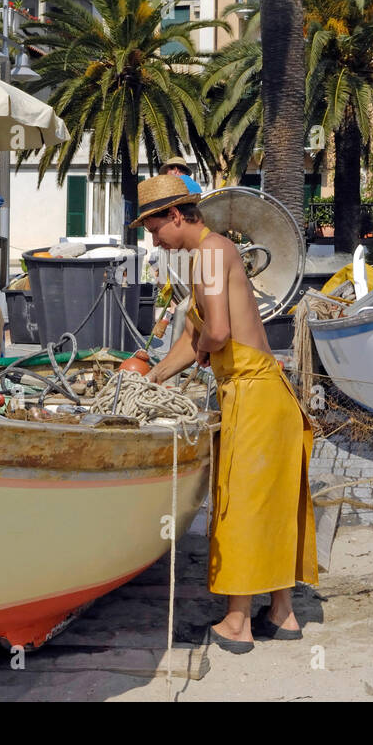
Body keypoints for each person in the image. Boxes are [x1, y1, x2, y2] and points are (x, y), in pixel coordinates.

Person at [136, 176, 317, 653]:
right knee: (271, 502)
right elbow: (195, 338)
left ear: (176, 215)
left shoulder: (210, 253)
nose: (155, 241)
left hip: (252, 394)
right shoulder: (214, 253)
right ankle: (283, 611)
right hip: (269, 394)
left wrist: (206, 350)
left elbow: (214, 331)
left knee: (238, 503)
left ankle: (236, 623)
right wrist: (153, 378)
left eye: (156, 229)